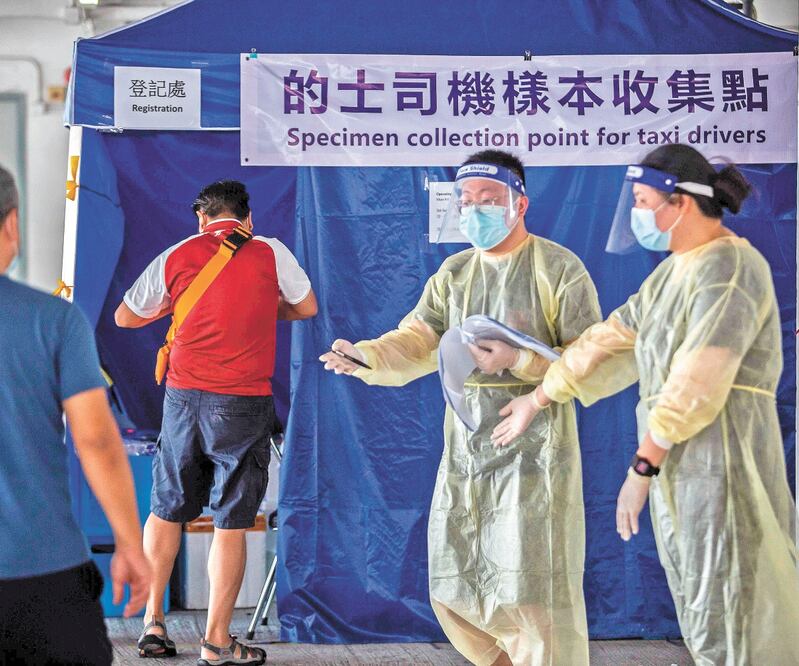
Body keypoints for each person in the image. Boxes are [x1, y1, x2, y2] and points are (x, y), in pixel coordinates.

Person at [493, 144, 799, 664]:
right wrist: (538, 397)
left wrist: (643, 466)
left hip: (724, 468)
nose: (636, 214)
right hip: (685, 473)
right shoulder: (670, 276)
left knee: (740, 609)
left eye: (641, 199)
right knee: (703, 608)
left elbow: (697, 382)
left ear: (678, 203)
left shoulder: (729, 268)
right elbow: (606, 341)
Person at [320, 151, 601, 665]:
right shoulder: (455, 273)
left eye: (488, 201)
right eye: (466, 201)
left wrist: (519, 360)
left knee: (531, 593)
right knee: (456, 586)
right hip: (467, 450)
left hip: (535, 454)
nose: (475, 211)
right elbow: (418, 339)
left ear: (520, 204)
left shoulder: (558, 268)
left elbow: (588, 359)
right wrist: (367, 356)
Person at [115, 180, 317, 664]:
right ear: (247, 219)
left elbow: (125, 318)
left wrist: (178, 306)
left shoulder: (178, 253)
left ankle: (153, 625)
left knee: (166, 509)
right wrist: (259, 310)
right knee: (231, 521)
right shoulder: (270, 252)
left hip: (183, 400)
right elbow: (307, 307)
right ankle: (216, 641)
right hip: (244, 404)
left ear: (202, 220)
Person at [0, 165, 150, 665]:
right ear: (11, 225)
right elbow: (98, 442)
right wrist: (130, 543)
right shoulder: (54, 321)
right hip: (42, 572)